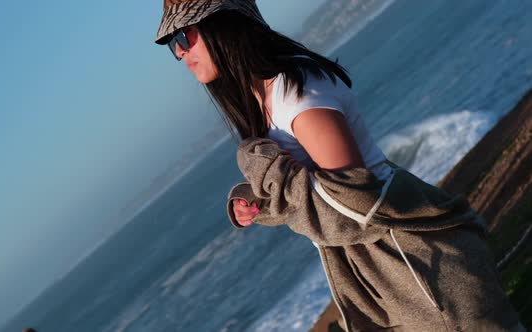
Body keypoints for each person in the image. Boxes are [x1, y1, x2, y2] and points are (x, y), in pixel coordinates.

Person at [154, 1, 525, 331]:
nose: (181, 51)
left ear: (225, 21)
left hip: (417, 268)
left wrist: (266, 170)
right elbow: (311, 188)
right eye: (173, 43)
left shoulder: (295, 89)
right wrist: (261, 198)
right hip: (381, 273)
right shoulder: (260, 99)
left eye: (185, 34)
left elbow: (355, 203)